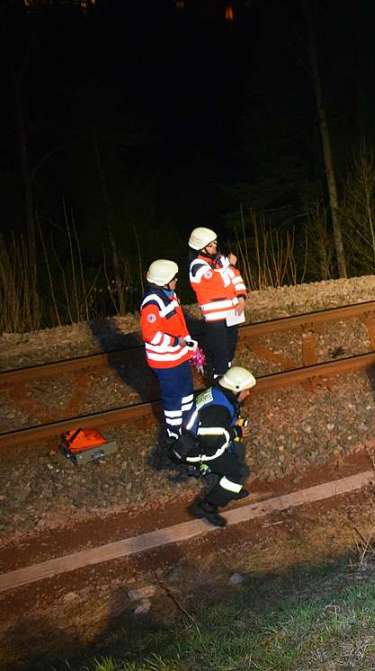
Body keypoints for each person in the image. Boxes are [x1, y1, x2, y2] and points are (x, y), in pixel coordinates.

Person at [170, 366, 256, 527]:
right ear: (235, 389)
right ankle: (206, 506)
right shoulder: (219, 410)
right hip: (197, 449)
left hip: (197, 438)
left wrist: (233, 429)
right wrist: (236, 431)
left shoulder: (219, 393)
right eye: (246, 390)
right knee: (239, 472)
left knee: (238, 449)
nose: (248, 394)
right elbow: (210, 442)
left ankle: (229, 490)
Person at [139, 259, 197, 440]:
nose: (176, 281)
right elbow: (152, 336)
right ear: (163, 281)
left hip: (179, 357)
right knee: (173, 398)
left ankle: (191, 425)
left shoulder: (169, 296)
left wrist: (188, 343)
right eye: (174, 278)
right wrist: (176, 342)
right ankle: (175, 433)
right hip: (166, 362)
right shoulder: (152, 304)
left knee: (187, 394)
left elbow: (178, 324)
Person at [188, 226, 247, 380]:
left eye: (215, 243)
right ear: (201, 248)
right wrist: (230, 267)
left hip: (233, 312)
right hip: (216, 318)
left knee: (230, 348)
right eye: (211, 244)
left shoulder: (220, 260)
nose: (215, 246)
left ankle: (227, 376)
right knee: (220, 351)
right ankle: (219, 380)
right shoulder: (197, 266)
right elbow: (219, 282)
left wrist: (241, 296)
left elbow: (236, 277)